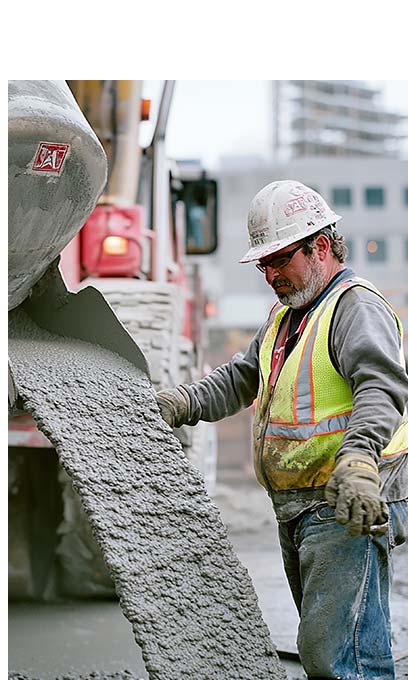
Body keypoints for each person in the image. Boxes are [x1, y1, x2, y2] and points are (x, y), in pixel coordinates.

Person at [156, 180, 408, 680]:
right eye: (263, 264)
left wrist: (358, 461)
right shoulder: (288, 315)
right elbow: (240, 378)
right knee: (343, 642)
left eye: (279, 260)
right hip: (302, 504)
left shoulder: (355, 307)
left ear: (319, 246)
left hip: (346, 496)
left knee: (338, 654)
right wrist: (179, 402)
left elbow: (382, 388)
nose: (270, 274)